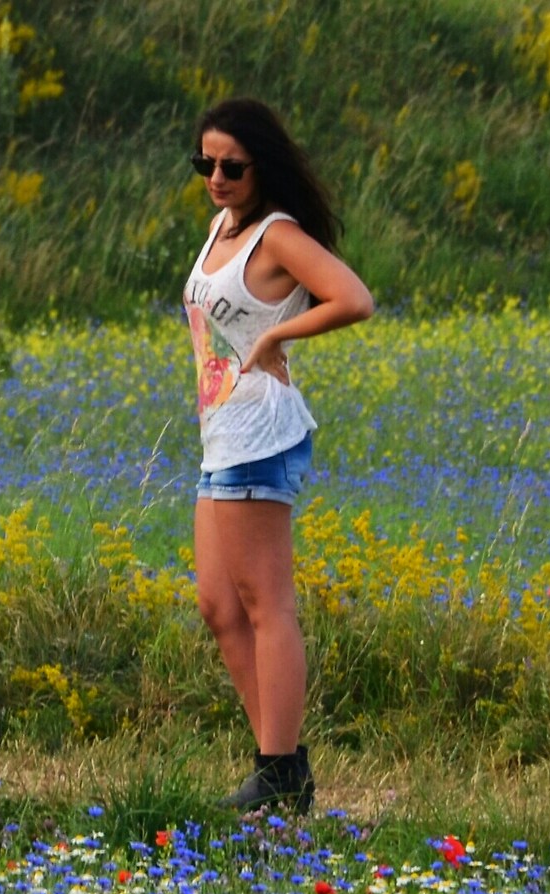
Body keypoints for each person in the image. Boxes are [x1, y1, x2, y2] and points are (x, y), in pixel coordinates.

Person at [185, 98, 374, 813]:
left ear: (260, 165)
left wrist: (275, 338)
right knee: (218, 605)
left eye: (231, 166)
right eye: (205, 163)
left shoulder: (277, 235)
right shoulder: (221, 227)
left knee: (267, 604)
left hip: (260, 433)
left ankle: (279, 769)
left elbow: (353, 298)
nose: (216, 177)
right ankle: (281, 764)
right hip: (221, 432)